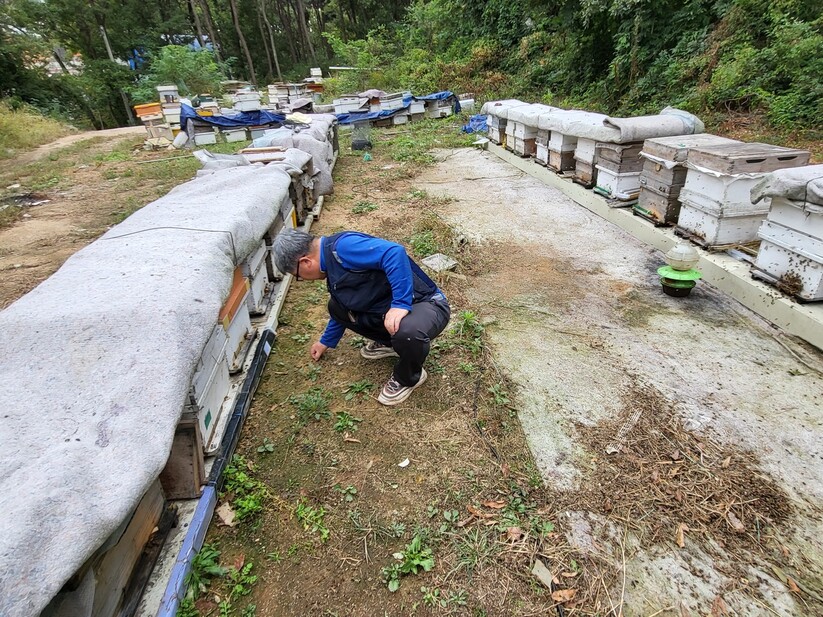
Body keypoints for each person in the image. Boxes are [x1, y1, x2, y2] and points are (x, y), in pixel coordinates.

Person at [272, 229, 451, 405]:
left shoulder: (343, 247)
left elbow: (394, 252)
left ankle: (409, 377)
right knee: (336, 308)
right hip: (390, 306)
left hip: (426, 303)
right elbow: (343, 304)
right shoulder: (330, 266)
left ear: (305, 262)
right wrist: (325, 341)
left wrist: (400, 304)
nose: (302, 279)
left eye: (298, 276)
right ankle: (391, 343)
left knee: (408, 332)